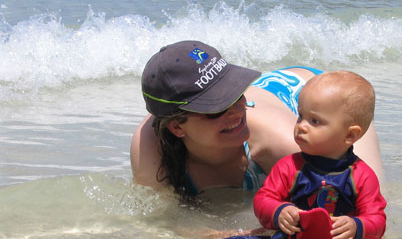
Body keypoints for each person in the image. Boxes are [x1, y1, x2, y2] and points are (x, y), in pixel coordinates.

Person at [130, 40, 383, 199]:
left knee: (366, 188)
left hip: (324, 102)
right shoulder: (150, 148)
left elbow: (364, 207)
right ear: (176, 127)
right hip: (272, 105)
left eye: (236, 93)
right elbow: (165, 222)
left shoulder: (286, 143)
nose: (237, 111)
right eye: (217, 108)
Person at [253, 71, 386, 239]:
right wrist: (278, 211)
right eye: (300, 115)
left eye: (314, 121)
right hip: (295, 237)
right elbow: (263, 199)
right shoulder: (289, 167)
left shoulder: (362, 176)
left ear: (350, 135)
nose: (301, 125)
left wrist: (356, 225)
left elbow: (377, 219)